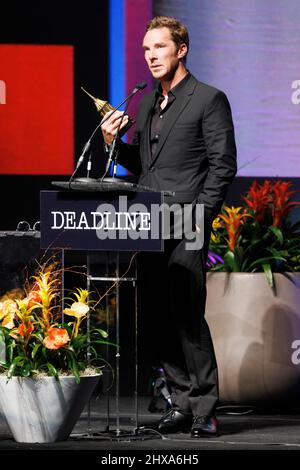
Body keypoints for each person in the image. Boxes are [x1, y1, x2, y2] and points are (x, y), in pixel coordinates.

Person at [101, 16, 237, 437]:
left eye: (159, 47)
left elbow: (223, 165)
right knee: (158, 318)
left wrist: (201, 213)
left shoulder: (208, 99)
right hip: (148, 222)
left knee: (188, 318)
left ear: (181, 49)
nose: (151, 56)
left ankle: (204, 408)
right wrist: (113, 145)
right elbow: (144, 166)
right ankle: (179, 402)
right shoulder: (145, 104)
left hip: (189, 223)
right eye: (146, 49)